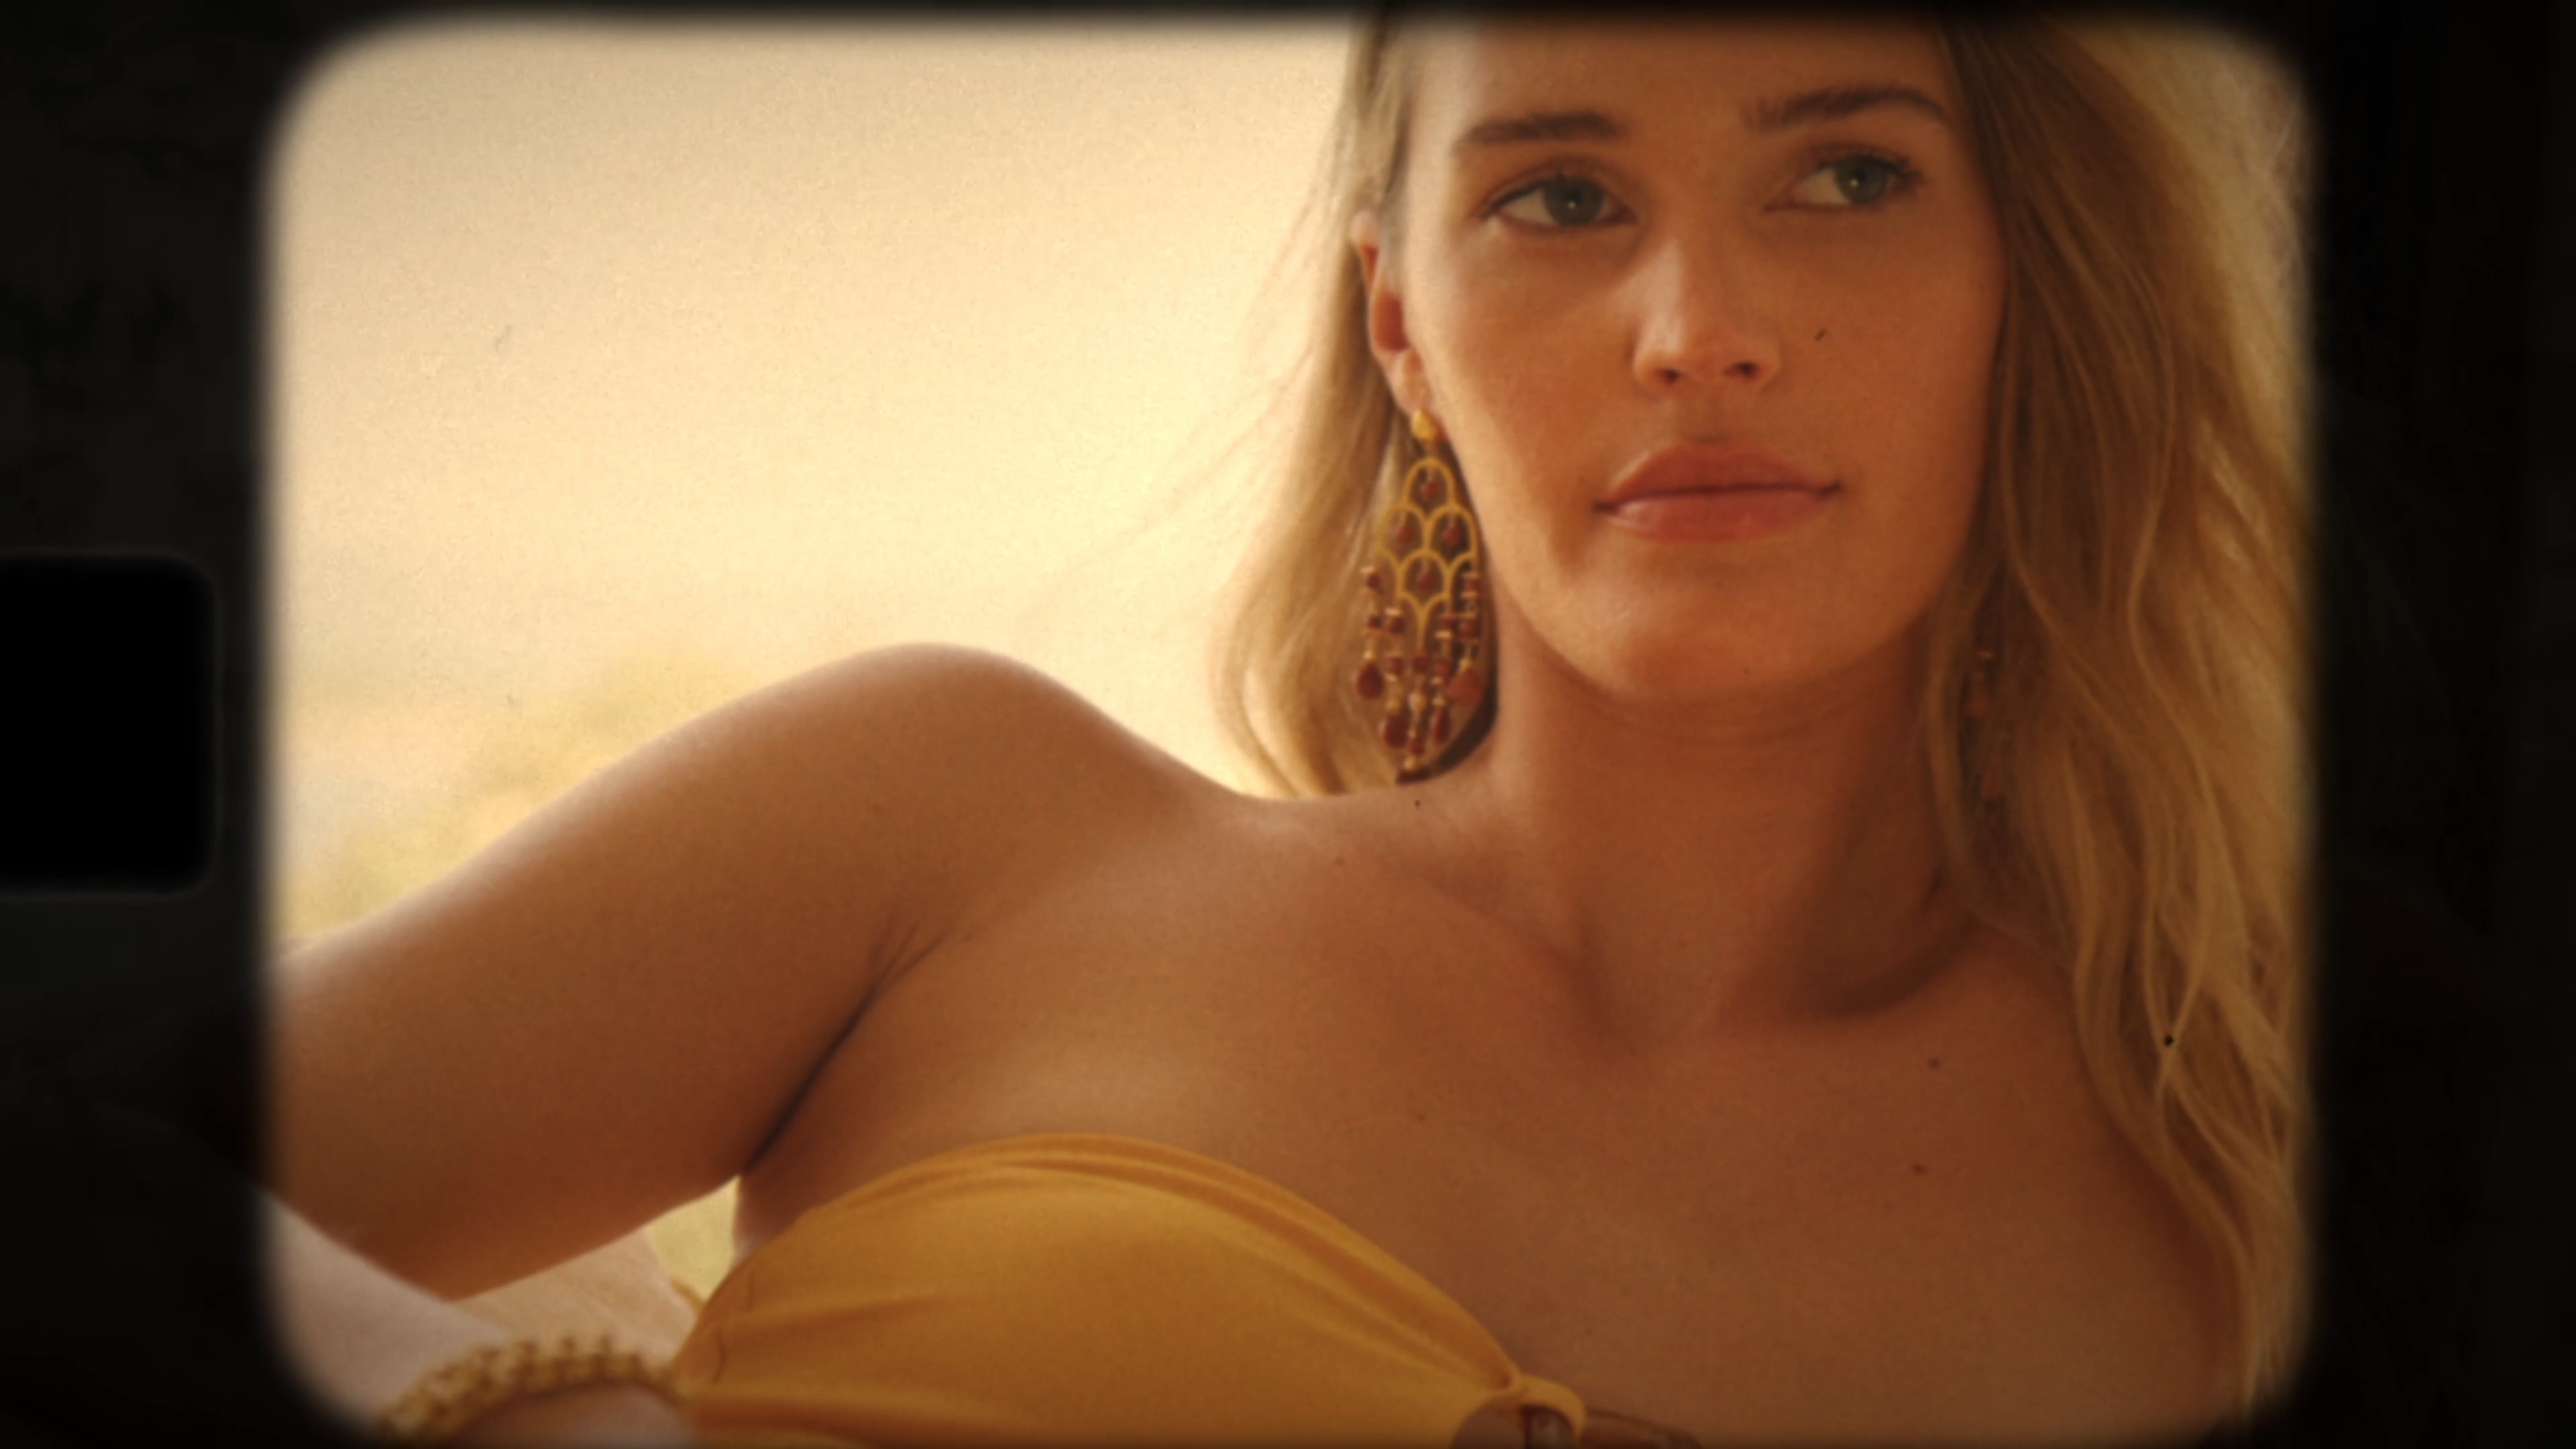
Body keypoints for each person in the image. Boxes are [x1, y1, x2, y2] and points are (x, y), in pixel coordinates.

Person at [267, 13, 2311, 1446]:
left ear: (2031, 277)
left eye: (1848, 175)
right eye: (1561, 197)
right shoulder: (953, 834)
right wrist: (549, 1424)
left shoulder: (2241, 1150)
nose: (1700, 329)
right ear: (1400, 324)